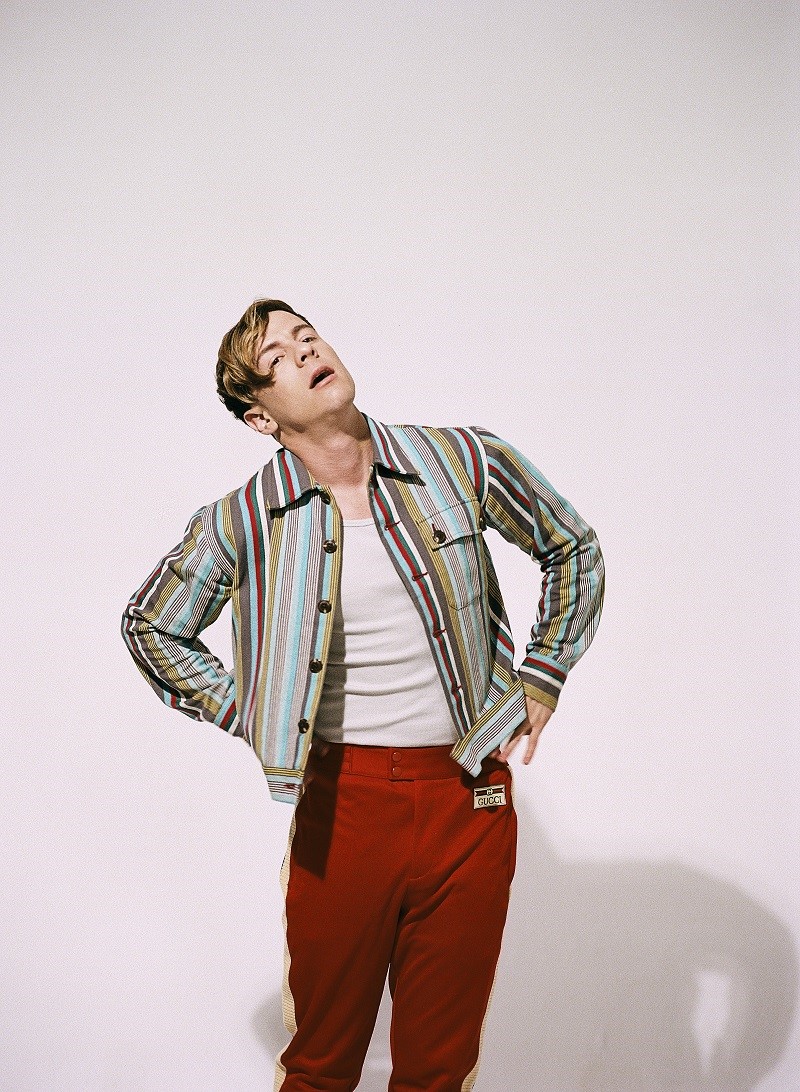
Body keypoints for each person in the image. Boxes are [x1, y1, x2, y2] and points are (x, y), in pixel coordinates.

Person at [120, 299, 605, 1091]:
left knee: (438, 1067)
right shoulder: (244, 520)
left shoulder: (461, 459)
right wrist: (254, 712)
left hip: (469, 798)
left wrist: (545, 671)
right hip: (342, 806)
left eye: (307, 336)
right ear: (259, 416)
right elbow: (152, 627)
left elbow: (570, 545)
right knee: (321, 1065)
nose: (306, 352)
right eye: (278, 358)